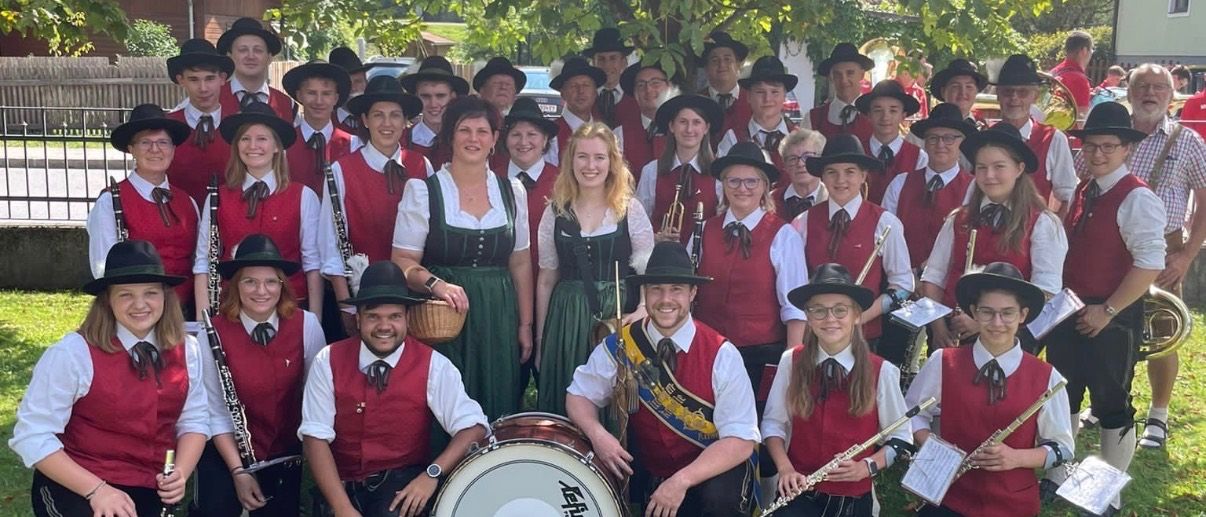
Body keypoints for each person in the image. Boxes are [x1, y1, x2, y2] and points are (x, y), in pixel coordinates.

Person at [9, 240, 208, 517]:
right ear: (107, 300)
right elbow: (31, 435)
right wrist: (97, 490)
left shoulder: (188, 350)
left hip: (148, 485)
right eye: (125, 294)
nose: (140, 304)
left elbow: (195, 419)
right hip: (78, 483)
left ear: (165, 297)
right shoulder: (72, 353)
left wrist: (181, 473)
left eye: (150, 293)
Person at [566, 241, 761, 517]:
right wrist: (598, 436)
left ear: (693, 293)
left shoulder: (722, 354)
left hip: (714, 473)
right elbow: (579, 395)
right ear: (645, 293)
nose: (665, 299)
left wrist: (681, 481)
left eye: (676, 289)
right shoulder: (622, 345)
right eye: (656, 289)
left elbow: (740, 440)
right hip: (654, 472)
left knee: (719, 502)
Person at [1077, 64, 1206, 450]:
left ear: (1172, 95)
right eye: (1142, 86)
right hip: (1106, 243)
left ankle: (1159, 415)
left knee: (1161, 336)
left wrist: (1185, 255)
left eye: (1158, 88)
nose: (1150, 93)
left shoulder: (1188, 141)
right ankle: (1106, 402)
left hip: (1162, 250)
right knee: (1113, 331)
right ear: (1129, 93)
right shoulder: (1107, 134)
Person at [1049, 102, 1167, 515]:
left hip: (1111, 316)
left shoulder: (1137, 197)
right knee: (1063, 392)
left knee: (1111, 401)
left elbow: (1150, 262)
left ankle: (1107, 491)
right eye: (1091, 146)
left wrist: (1109, 311)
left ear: (1126, 149)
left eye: (1108, 146)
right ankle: (1059, 474)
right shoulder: (1084, 189)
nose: (1098, 154)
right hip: (1070, 309)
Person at [299, 261, 489, 517]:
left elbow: (473, 427)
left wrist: (431, 475)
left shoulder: (433, 364)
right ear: (358, 319)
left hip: (400, 488)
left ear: (407, 318)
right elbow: (315, 438)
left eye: (394, 317)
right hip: (340, 487)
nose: (384, 326)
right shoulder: (327, 360)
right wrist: (342, 508)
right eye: (373, 316)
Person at [391, 96, 534, 420]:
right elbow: (401, 259)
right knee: (448, 398)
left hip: (498, 313)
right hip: (444, 316)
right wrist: (436, 284)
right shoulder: (424, 190)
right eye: (464, 130)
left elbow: (521, 262)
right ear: (449, 136)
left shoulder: (512, 191)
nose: (473, 139)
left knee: (498, 396)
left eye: (482, 131)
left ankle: (493, 468)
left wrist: (524, 324)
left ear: (495, 139)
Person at [905, 262, 1074, 517]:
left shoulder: (1047, 377)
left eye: (1007, 313)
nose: (997, 322)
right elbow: (911, 415)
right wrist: (935, 448)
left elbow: (1063, 448)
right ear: (974, 312)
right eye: (987, 312)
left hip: (1013, 505)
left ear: (1023, 315)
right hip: (948, 496)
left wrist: (1016, 458)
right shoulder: (944, 362)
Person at [693, 142, 807, 480]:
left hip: (761, 354)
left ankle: (765, 499)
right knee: (711, 427)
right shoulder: (703, 230)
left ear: (765, 187)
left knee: (759, 429)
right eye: (733, 181)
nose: (742, 189)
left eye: (751, 182)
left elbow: (795, 309)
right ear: (723, 186)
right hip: (711, 353)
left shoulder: (782, 234)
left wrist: (791, 364)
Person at [762, 263, 913, 517]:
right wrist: (785, 468)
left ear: (856, 316)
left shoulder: (882, 370)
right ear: (808, 318)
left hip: (853, 497)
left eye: (840, 310)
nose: (830, 319)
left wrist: (868, 467)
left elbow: (900, 436)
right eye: (818, 311)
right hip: (799, 490)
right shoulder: (791, 361)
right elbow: (773, 424)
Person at [193, 234, 325, 516]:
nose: (261, 291)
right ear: (235, 286)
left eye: (270, 281)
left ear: (282, 285)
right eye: (250, 281)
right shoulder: (211, 332)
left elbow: (319, 399)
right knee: (217, 508)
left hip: (284, 451)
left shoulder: (307, 325)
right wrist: (238, 471)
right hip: (227, 447)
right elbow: (214, 410)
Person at [534, 122, 654, 414]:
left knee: (616, 398)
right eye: (582, 156)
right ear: (570, 161)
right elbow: (547, 278)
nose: (591, 165)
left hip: (619, 317)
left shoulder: (630, 210)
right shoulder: (555, 212)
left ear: (612, 163)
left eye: (599, 157)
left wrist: (641, 311)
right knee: (568, 391)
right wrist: (541, 341)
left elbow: (648, 270)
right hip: (567, 318)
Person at [920, 122, 1066, 351]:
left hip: (1011, 339)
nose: (989, 176)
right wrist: (938, 328)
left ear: (1019, 169)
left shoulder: (1043, 224)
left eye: (999, 167)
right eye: (981, 167)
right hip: (953, 335)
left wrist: (982, 323)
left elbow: (1045, 291)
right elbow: (933, 277)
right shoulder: (958, 219)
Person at [318, 75, 430, 336]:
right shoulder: (341, 170)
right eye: (378, 115)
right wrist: (348, 308)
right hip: (363, 300)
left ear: (405, 122)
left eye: (395, 115)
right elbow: (330, 246)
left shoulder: (422, 166)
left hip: (411, 297)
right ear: (365, 120)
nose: (387, 123)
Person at [193, 101, 324, 315]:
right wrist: (203, 323)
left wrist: (315, 319)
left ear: (276, 147)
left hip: (290, 307)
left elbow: (312, 264)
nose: (252, 146)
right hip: (232, 308)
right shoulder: (218, 197)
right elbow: (203, 263)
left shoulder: (304, 196)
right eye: (245, 139)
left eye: (262, 138)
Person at [792, 134, 913, 351]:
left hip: (865, 338)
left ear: (863, 175)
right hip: (815, 337)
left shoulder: (886, 223)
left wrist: (859, 318)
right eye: (832, 172)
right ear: (822, 177)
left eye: (850, 172)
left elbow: (903, 285)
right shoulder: (803, 222)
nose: (840, 180)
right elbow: (795, 283)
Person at [89, 104, 199, 318]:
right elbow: (102, 267)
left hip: (185, 313)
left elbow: (197, 260)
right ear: (131, 149)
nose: (155, 150)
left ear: (173, 149)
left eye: (163, 142)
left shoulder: (188, 202)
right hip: (137, 313)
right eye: (145, 142)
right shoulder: (110, 202)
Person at [883, 103, 977, 273]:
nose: (940, 144)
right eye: (933, 138)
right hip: (903, 282)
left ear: (961, 142)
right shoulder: (900, 183)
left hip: (950, 288)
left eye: (949, 138)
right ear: (925, 143)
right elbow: (885, 238)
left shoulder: (974, 188)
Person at [991, 54, 1077, 214]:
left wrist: (1052, 233)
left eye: (1023, 92)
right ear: (998, 95)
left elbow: (1067, 196)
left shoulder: (1054, 139)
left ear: (1035, 96)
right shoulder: (984, 137)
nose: (1014, 98)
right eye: (1007, 92)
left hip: (1033, 235)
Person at [636, 94, 724, 244]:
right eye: (683, 122)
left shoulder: (720, 173)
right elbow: (637, 222)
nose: (689, 129)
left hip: (702, 260)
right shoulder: (651, 171)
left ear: (706, 128)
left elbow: (722, 223)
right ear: (671, 126)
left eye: (697, 122)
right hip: (661, 258)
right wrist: (656, 238)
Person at [166, 38, 235, 205]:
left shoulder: (238, 127)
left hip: (229, 221)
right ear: (181, 80)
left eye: (210, 78)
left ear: (222, 79)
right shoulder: (167, 127)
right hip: (178, 220)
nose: (203, 88)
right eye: (194, 80)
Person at [716, 56, 799, 174]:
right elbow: (721, 182)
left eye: (774, 92)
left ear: (784, 95)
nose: (767, 99)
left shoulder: (798, 137)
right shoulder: (732, 138)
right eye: (760, 92)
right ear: (748, 96)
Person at [282, 60, 355, 194]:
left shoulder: (353, 145)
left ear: (335, 98)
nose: (319, 101)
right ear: (299, 96)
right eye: (311, 93)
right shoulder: (283, 145)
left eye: (326, 94)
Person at [853, 79, 928, 204]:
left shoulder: (919, 158)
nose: (885, 117)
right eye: (878, 110)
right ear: (869, 115)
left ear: (903, 115)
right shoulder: (856, 153)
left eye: (893, 110)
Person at [216, 17, 295, 121]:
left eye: (258, 50)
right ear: (230, 56)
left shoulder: (288, 105)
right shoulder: (211, 97)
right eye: (243, 50)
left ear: (269, 57)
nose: (250, 56)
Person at [400, 56, 470, 169]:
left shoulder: (467, 141)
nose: (433, 104)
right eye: (425, 96)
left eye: (440, 96)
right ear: (416, 97)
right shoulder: (401, 141)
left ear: (453, 97)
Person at [803, 43, 875, 142]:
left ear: (861, 75)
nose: (844, 80)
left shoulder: (875, 115)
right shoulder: (812, 119)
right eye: (837, 74)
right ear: (830, 78)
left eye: (850, 73)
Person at [614, 61, 674, 172]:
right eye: (641, 85)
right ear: (635, 93)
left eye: (655, 83)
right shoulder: (619, 135)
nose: (648, 90)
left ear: (669, 87)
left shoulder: (684, 129)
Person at [548, 56, 607, 165]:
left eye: (586, 85)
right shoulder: (552, 136)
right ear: (563, 94)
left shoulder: (606, 133)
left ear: (595, 92)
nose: (581, 91)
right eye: (573, 86)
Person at [698, 31, 752, 139]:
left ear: (738, 64)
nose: (722, 64)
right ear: (706, 67)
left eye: (727, 59)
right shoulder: (696, 102)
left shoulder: (752, 100)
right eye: (714, 60)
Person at [584, 28, 638, 127]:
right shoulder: (583, 98)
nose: (607, 65)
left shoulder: (637, 97)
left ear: (623, 62)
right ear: (593, 63)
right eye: (601, 59)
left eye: (613, 58)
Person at [771, 129, 828, 222]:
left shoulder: (833, 198)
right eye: (793, 159)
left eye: (807, 157)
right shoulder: (771, 201)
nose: (800, 164)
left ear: (820, 161)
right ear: (785, 166)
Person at [929, 58, 988, 127]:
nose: (962, 92)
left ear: (976, 91)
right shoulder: (930, 128)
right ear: (943, 92)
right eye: (955, 86)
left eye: (969, 86)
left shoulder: (983, 128)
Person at [328, 46, 373, 134]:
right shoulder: (325, 123)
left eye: (358, 81)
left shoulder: (378, 121)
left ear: (366, 83)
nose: (353, 88)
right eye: (347, 83)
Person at [1049, 30, 1094, 116]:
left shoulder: (1054, 72)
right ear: (1084, 50)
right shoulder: (1079, 80)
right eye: (1091, 49)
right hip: (1066, 129)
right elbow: (1081, 118)